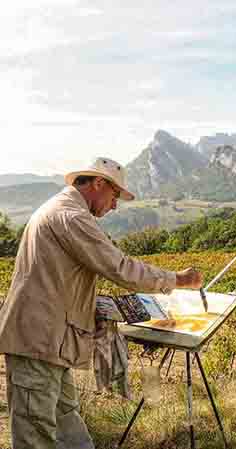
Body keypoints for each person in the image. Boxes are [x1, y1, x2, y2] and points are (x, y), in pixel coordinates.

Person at [0, 157, 203, 449]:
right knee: (36, 434)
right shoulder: (72, 217)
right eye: (115, 195)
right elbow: (120, 268)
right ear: (98, 184)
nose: (115, 205)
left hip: (48, 340)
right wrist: (178, 280)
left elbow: (56, 281)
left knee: (65, 421)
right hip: (39, 341)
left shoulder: (60, 209)